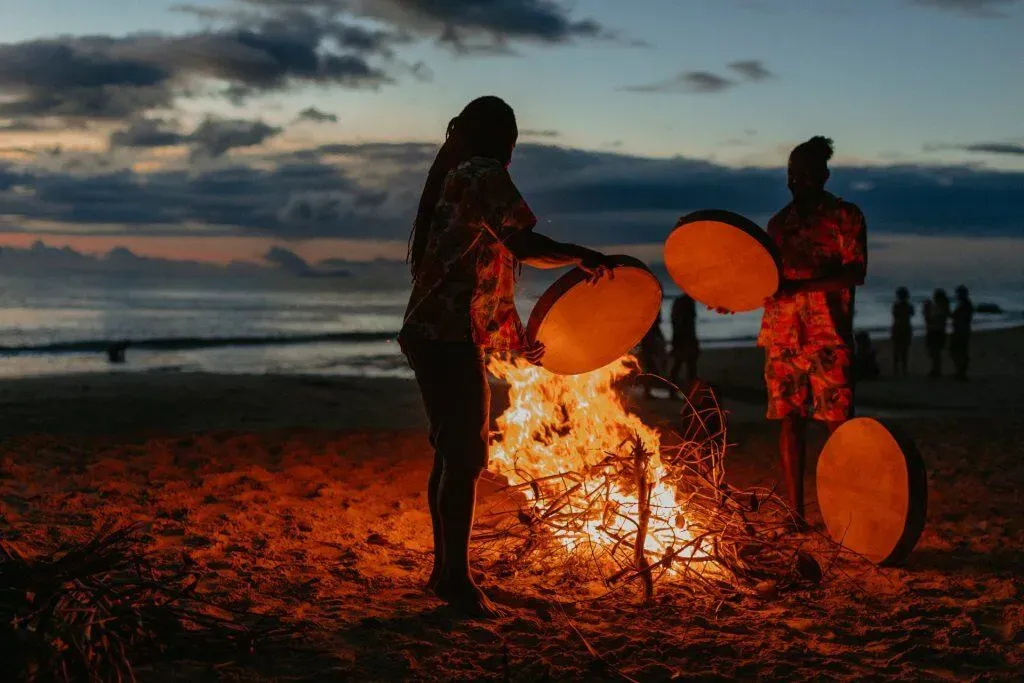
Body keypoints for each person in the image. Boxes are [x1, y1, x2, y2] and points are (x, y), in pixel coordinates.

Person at [399, 96, 616, 618]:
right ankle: (456, 580)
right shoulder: (483, 173)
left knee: (450, 454)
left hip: (435, 333)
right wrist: (581, 255)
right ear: (505, 142)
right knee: (467, 457)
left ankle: (444, 571)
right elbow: (523, 246)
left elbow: (486, 272)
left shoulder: (459, 175)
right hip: (447, 337)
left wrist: (517, 339)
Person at [757, 136, 867, 527]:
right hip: (782, 335)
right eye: (790, 173)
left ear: (822, 175)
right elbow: (764, 279)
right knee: (790, 420)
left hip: (827, 337)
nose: (795, 181)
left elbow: (856, 272)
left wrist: (802, 286)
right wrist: (730, 295)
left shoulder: (845, 216)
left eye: (803, 174)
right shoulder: (777, 224)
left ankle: (849, 509)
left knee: (838, 425)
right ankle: (795, 513)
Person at [670, 293, 700, 391]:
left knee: (680, 365)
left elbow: (675, 322)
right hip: (685, 339)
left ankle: (674, 390)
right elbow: (685, 324)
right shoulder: (686, 302)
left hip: (683, 339)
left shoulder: (681, 302)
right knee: (688, 367)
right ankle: (689, 391)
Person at [639, 309, 669, 398]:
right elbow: (654, 325)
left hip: (648, 340)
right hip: (649, 341)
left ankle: (647, 391)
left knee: (650, 367)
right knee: (650, 367)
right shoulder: (652, 310)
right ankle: (647, 392)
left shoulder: (651, 309)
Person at [923, 288, 950, 378]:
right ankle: (936, 370)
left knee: (934, 352)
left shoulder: (941, 307)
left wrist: (926, 311)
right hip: (937, 331)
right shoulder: (941, 307)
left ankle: (936, 371)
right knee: (934, 352)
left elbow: (931, 319)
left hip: (936, 331)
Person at [950, 285, 974, 381]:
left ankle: (961, 372)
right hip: (961, 330)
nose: (957, 295)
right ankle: (960, 372)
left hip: (961, 331)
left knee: (958, 351)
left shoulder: (965, 305)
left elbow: (960, 318)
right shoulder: (964, 304)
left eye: (958, 294)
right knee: (959, 351)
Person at [890, 287, 914, 376]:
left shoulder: (897, 306)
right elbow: (911, 314)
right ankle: (903, 369)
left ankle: (897, 369)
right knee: (903, 350)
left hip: (899, 328)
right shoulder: (908, 306)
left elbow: (895, 316)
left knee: (898, 349)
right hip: (905, 328)